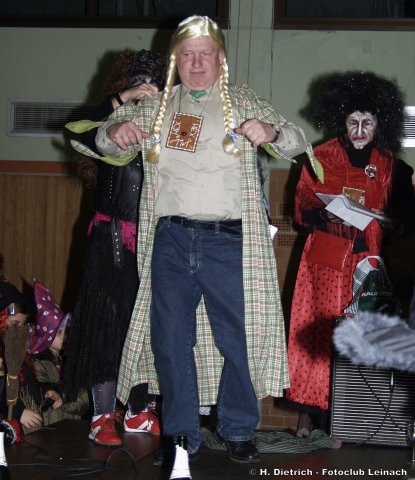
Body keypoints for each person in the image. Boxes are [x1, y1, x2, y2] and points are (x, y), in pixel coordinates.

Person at [92, 15, 308, 467]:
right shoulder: (156, 106)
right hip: (170, 239)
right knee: (171, 342)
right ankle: (182, 434)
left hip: (229, 241)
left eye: (204, 54)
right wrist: (114, 132)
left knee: (239, 339)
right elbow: (102, 141)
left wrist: (271, 133)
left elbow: (296, 140)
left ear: (220, 58)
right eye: (187, 55)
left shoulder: (243, 101)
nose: (195, 64)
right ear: (176, 59)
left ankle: (237, 428)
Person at [284, 71, 407, 434]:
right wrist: (324, 213)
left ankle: (352, 419)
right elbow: (301, 207)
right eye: (353, 121)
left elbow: (404, 219)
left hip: (368, 265)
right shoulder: (320, 156)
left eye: (367, 122)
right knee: (318, 336)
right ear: (342, 120)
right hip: (325, 264)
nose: (359, 130)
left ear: (379, 123)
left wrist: (392, 220)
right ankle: (309, 416)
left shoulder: (389, 164)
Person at [64, 50, 166, 446]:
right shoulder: (109, 124)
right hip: (110, 240)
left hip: (156, 241)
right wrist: (123, 99)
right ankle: (102, 415)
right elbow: (78, 133)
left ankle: (138, 410)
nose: (146, 88)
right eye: (138, 81)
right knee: (106, 328)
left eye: (154, 82)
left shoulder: (170, 126)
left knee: (147, 330)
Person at [0, 278, 62, 437]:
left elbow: (27, 387)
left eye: (23, 325)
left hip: (20, 434)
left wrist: (47, 391)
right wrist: (18, 412)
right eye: (15, 324)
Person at [28, 280, 89, 426]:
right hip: (50, 428)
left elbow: (85, 400)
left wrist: (62, 395)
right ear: (47, 336)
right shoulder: (37, 363)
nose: (66, 335)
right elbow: (46, 396)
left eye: (65, 330)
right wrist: (62, 395)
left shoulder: (69, 360)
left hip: (72, 428)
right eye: (60, 332)